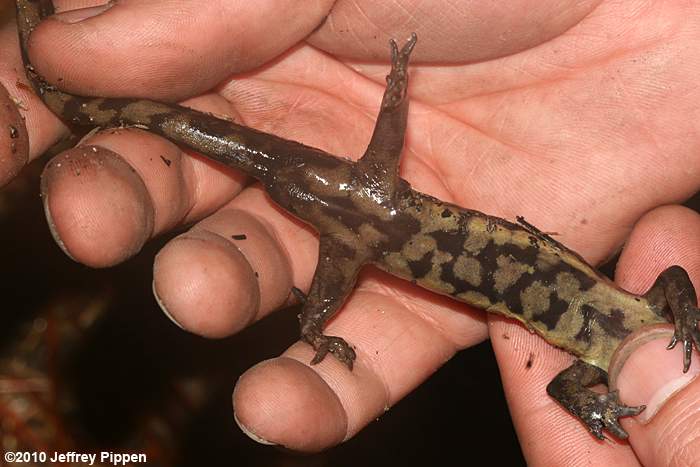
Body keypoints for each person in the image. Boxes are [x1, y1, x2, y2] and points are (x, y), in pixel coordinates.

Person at [2, 1, 699, 464]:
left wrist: (614, 386)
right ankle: (68, 89)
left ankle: (68, 88)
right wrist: (628, 384)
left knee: (314, 197)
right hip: (371, 224)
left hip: (369, 226)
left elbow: (572, 381)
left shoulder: (625, 331)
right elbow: (659, 297)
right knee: (257, 163)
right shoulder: (636, 327)